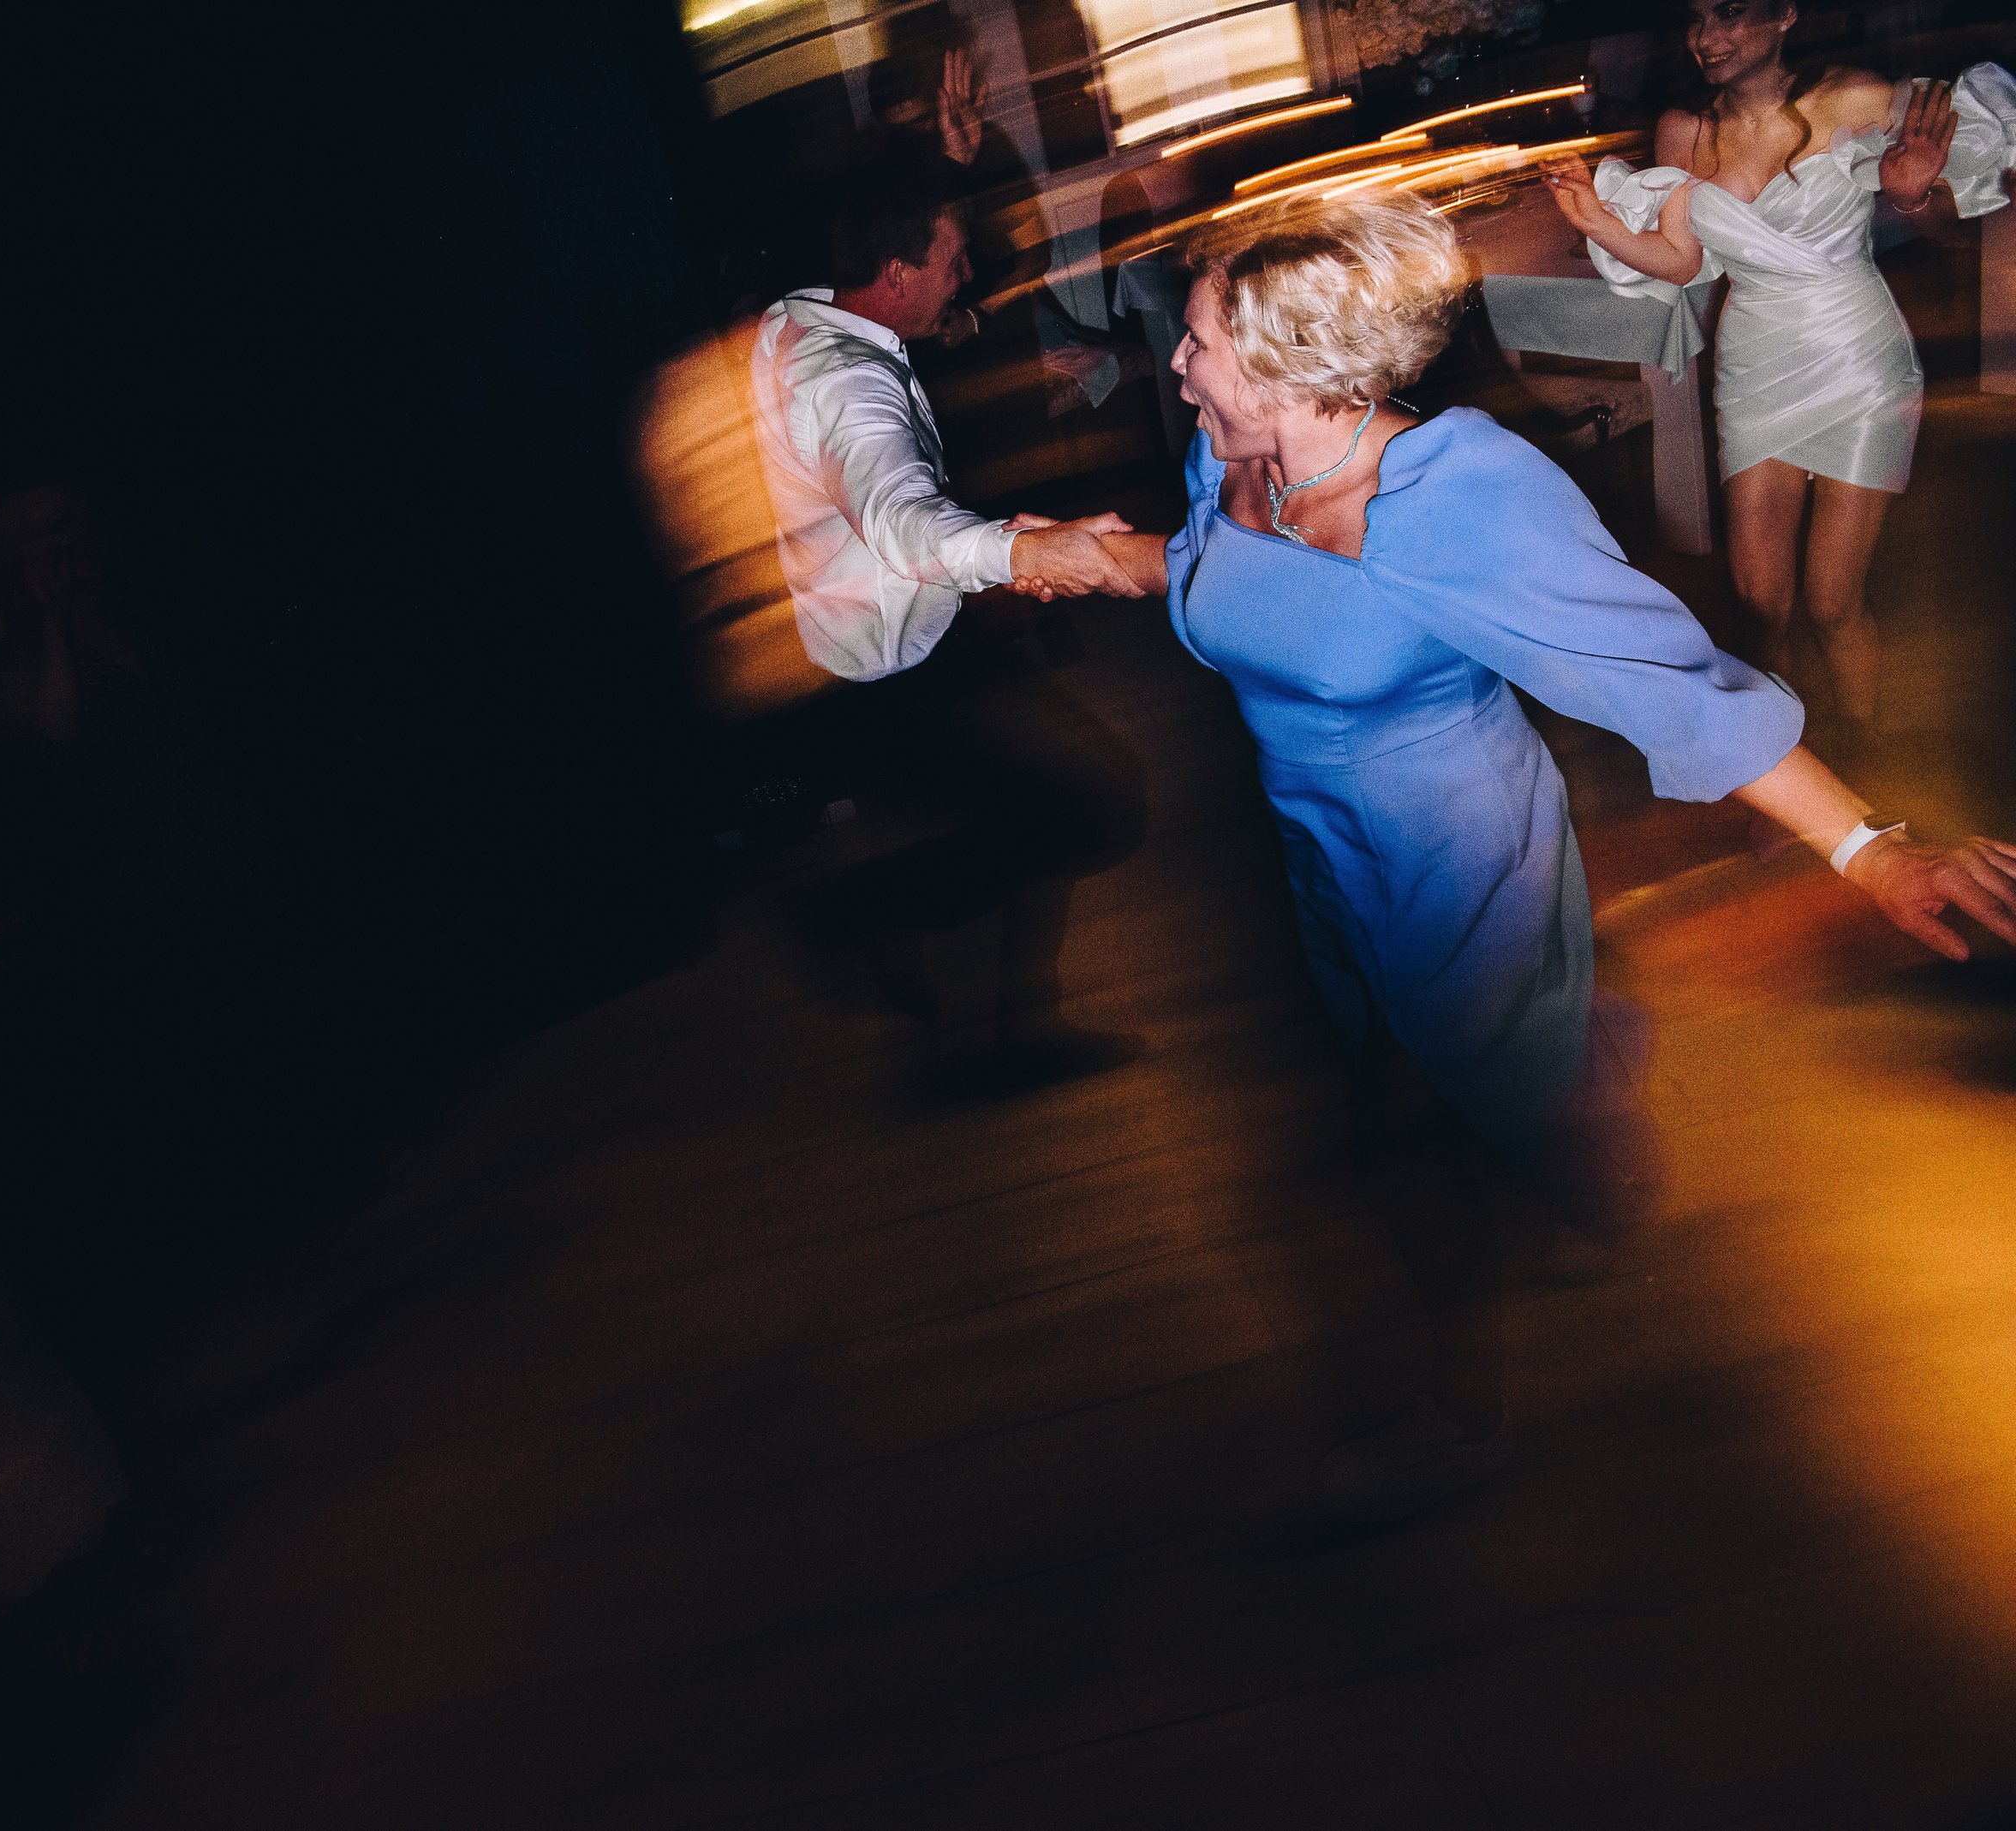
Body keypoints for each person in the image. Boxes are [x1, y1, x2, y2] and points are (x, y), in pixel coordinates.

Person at [1011, 189, 2016, 1519]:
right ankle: (1575, 1076)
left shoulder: (1461, 499)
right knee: (1445, 1074)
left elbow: (1673, 685)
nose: (1177, 361)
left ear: (1303, 367)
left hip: (1461, 847)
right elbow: (1208, 577)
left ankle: (1460, 1416)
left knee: (1386, 1140)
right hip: (1320, 849)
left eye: (1200, 339)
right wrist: (1087, 554)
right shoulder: (1226, 451)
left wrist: (1871, 851)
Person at [749, 153, 1151, 1088]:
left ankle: (1009, 1021)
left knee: (1042, 809)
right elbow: (900, 520)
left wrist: (956, 307)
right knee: (1078, 808)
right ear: (896, 273)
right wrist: (1025, 553)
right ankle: (860, 916)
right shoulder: (852, 384)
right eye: (952, 262)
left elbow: (876, 472)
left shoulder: (800, 318)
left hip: (866, 642)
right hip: (883, 673)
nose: (963, 278)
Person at [1544, 9, 2016, 746]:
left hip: (1858, 357)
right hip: (1756, 361)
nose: (1706, 36)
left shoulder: (1855, 97)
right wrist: (1600, 223)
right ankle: (1783, 757)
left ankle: (1864, 752)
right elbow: (1687, 262)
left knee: (1833, 600)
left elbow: (1953, 229)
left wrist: (1909, 194)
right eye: (1695, 18)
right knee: (1760, 604)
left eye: (1729, 10)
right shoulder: (1684, 131)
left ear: (1785, 12)